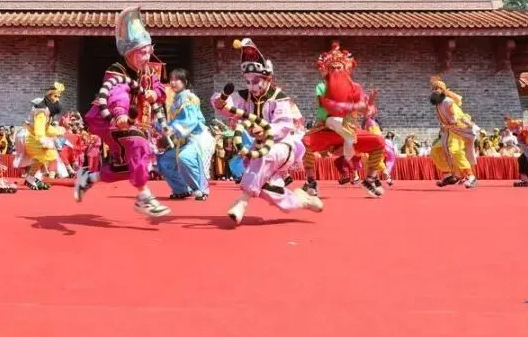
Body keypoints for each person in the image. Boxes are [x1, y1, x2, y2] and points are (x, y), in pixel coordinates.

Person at [211, 39, 323, 224]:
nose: (252, 87)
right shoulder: (244, 96)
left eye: (256, 81)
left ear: (268, 79)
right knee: (270, 190)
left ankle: (242, 201)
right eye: (248, 82)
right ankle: (302, 200)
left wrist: (264, 130)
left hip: (283, 145)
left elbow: (284, 125)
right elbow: (227, 105)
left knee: (266, 156)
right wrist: (219, 102)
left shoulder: (279, 98)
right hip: (259, 148)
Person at [74, 6, 171, 217]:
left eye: (148, 51)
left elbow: (159, 90)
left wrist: (154, 93)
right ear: (129, 53)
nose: (146, 57)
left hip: (131, 121)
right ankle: (144, 198)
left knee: (131, 165)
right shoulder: (116, 70)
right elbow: (118, 93)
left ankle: (89, 178)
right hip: (107, 119)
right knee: (139, 144)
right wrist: (119, 113)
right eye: (142, 53)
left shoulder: (148, 71)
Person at [301, 41, 386, 198]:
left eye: (339, 67)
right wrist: (354, 106)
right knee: (305, 142)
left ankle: (370, 179)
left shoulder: (356, 87)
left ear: (346, 68)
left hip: (349, 128)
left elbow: (363, 108)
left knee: (379, 142)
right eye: (332, 68)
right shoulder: (322, 87)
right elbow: (328, 106)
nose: (335, 70)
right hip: (327, 129)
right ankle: (311, 180)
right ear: (327, 69)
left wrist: (368, 108)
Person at [155, 69, 213, 201]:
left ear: (185, 82)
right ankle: (181, 189)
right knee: (164, 161)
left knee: (185, 157)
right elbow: (171, 123)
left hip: (196, 138)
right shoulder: (175, 100)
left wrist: (172, 129)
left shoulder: (190, 98)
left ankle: (201, 189)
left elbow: (190, 120)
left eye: (177, 79)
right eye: (171, 79)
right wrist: (159, 125)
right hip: (181, 140)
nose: (172, 82)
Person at [427, 77, 480, 189]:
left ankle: (470, 176)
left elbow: (456, 120)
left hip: (459, 131)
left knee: (455, 150)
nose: (434, 91)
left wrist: (447, 126)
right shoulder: (438, 104)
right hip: (449, 132)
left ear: (443, 90)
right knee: (435, 150)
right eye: (433, 89)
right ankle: (449, 174)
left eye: (437, 88)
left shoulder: (448, 102)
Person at [16, 82, 67, 190]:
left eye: (58, 96)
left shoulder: (48, 110)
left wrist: (57, 131)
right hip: (29, 135)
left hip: (33, 135)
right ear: (49, 95)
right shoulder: (42, 110)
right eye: (55, 96)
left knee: (45, 156)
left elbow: (46, 128)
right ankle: (31, 178)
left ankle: (32, 177)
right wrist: (43, 140)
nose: (57, 99)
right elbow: (39, 128)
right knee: (47, 154)